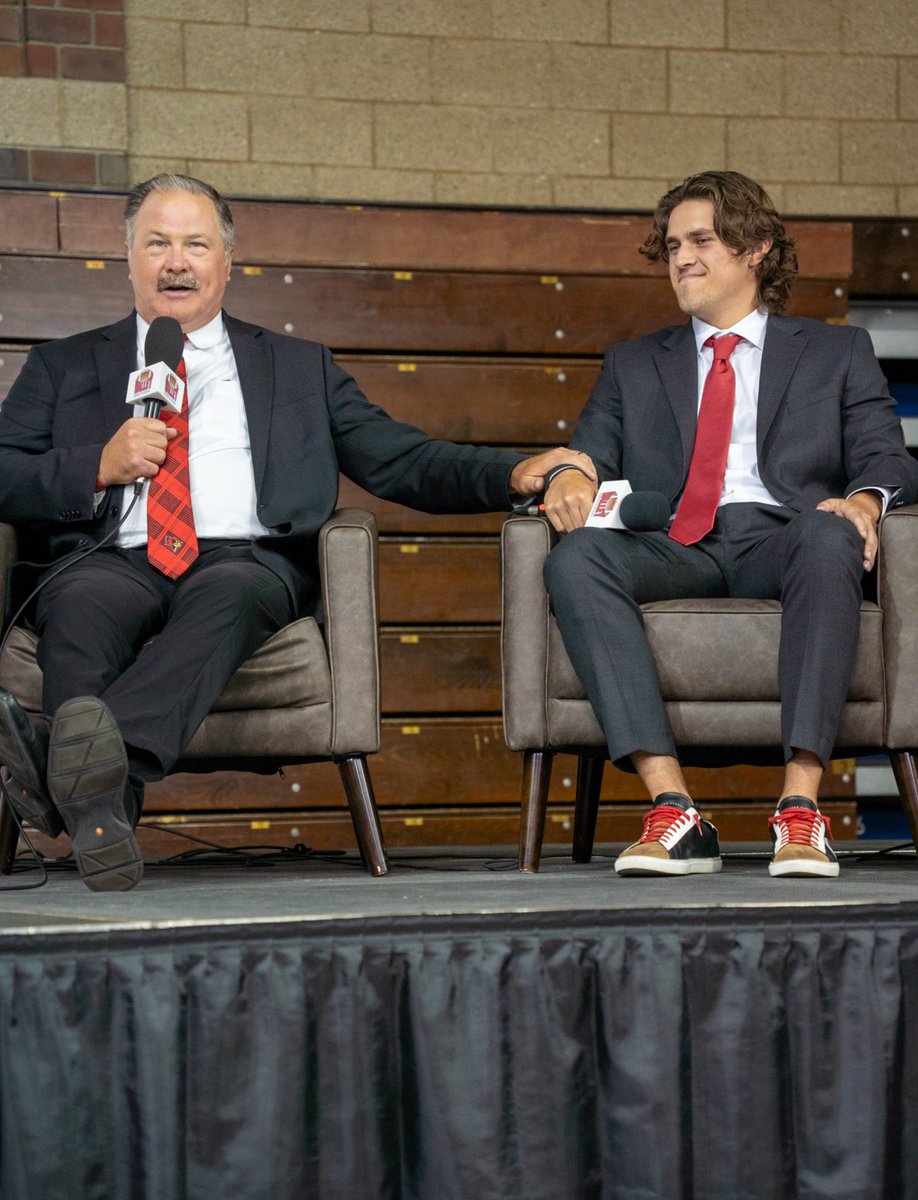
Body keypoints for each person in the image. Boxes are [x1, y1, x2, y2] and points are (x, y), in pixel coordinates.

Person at [0, 173, 594, 892]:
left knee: (233, 591)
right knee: (81, 605)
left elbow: (401, 459)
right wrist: (93, 464)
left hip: (241, 560)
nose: (176, 262)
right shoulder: (64, 365)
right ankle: (103, 812)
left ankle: (78, 768)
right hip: (111, 556)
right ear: (128, 259)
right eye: (157, 244)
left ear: (227, 263)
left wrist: (516, 471)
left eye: (195, 244)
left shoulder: (296, 366)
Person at [539, 170, 918, 880]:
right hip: (676, 542)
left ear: (757, 249)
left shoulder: (836, 352)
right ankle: (673, 807)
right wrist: (568, 473)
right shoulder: (633, 362)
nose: (681, 257)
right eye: (674, 244)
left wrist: (866, 501)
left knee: (830, 530)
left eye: (702, 241)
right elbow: (587, 452)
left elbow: (884, 456)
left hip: (785, 537)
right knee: (575, 558)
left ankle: (801, 808)